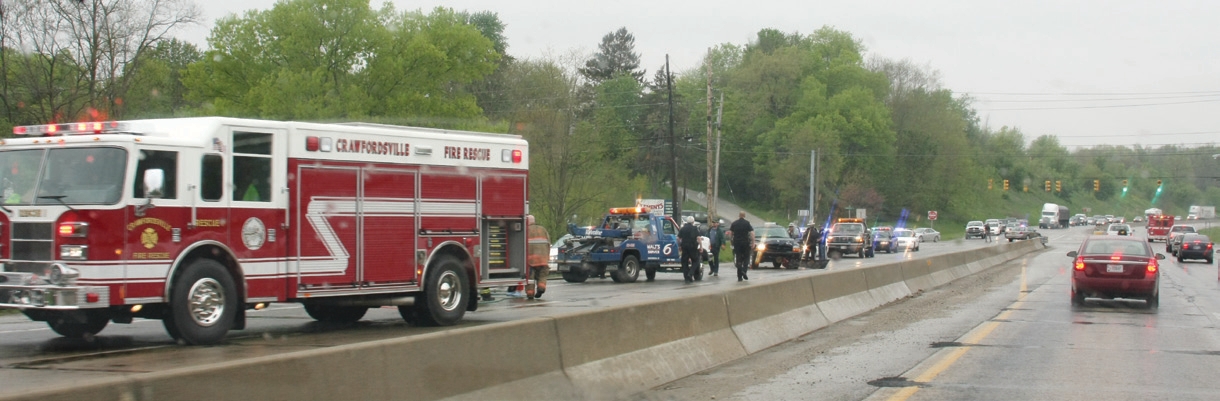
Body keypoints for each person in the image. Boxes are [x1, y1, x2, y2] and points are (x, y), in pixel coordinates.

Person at [525, 215, 551, 299]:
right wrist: (547, 257)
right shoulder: (542, 229)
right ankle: (541, 288)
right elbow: (548, 243)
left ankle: (530, 294)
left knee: (530, 278)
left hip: (530, 260)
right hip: (543, 259)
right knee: (542, 275)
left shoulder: (525, 230)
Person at [727, 211, 754, 281]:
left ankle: (739, 276)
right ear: (744, 216)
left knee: (738, 258)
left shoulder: (734, 223)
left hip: (737, 243)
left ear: (739, 216)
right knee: (746, 258)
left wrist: (731, 241)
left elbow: (730, 233)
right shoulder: (747, 223)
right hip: (745, 243)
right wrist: (753, 242)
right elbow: (752, 233)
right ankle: (744, 271)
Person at [678, 215, 701, 283]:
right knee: (696, 260)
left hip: (684, 247)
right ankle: (690, 273)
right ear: (693, 221)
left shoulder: (683, 228)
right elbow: (699, 238)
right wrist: (701, 247)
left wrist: (679, 246)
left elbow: (678, 238)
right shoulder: (694, 228)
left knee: (684, 262)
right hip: (693, 247)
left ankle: (686, 278)